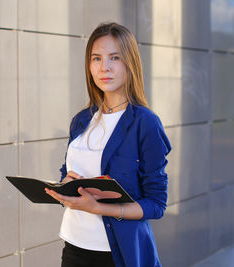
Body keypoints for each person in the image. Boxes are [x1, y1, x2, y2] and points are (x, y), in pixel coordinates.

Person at [45, 22, 172, 267]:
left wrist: (99, 208)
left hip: (117, 255)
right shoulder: (82, 119)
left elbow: (156, 204)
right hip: (74, 246)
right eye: (96, 58)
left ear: (130, 64)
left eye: (115, 57)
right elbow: (67, 173)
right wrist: (65, 188)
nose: (105, 67)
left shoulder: (145, 123)